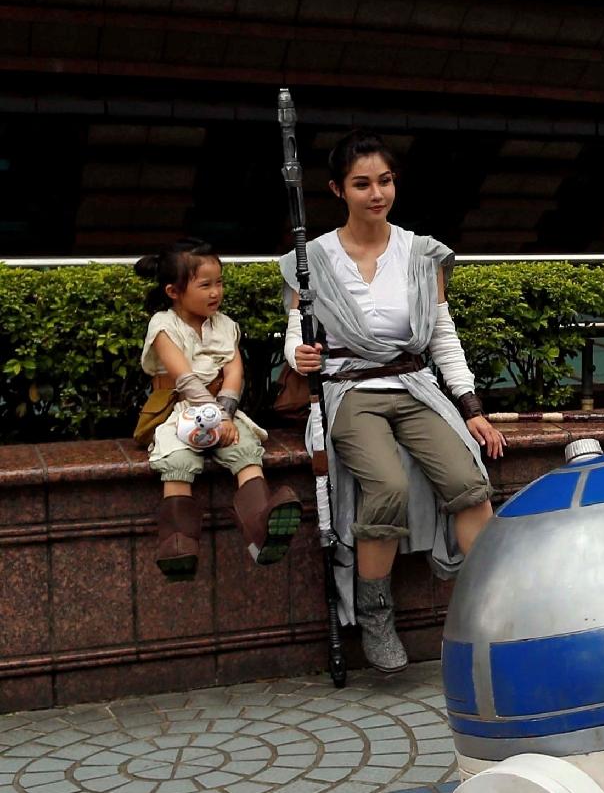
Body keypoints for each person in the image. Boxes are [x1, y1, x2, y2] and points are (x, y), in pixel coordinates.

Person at [280, 131, 504, 672]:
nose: (376, 193)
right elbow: (294, 331)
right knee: (387, 487)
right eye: (362, 184)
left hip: (414, 386)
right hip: (349, 389)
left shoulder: (422, 253)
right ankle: (375, 611)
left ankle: (491, 607)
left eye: (385, 181)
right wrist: (300, 356)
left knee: (469, 486)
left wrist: (471, 407)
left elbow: (441, 335)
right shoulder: (309, 260)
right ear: (338, 189)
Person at [136, 239, 302, 580]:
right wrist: (214, 415)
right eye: (205, 285)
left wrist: (225, 415)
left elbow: (234, 372)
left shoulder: (225, 325)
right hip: (179, 409)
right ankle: (178, 544)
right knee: (178, 461)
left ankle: (262, 531)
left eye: (219, 283)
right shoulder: (163, 326)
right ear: (173, 290)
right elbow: (183, 379)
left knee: (245, 451)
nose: (216, 292)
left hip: (223, 410)